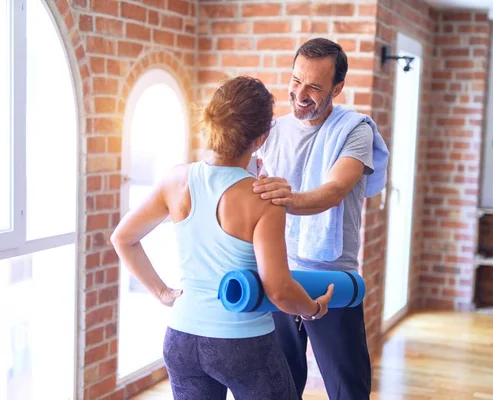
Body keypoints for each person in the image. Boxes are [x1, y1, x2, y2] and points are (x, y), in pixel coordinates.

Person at [110, 76, 334, 400]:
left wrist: (162, 292)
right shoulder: (263, 198)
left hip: (181, 338)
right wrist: (313, 309)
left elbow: (123, 238)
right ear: (260, 139)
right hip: (244, 345)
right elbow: (280, 289)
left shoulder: (176, 179)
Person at [253, 38, 389, 400]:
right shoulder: (273, 130)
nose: (301, 93)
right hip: (278, 271)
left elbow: (334, 191)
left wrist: (286, 201)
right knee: (279, 386)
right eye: (296, 80)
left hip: (331, 278)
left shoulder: (355, 130)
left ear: (337, 88)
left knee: (348, 388)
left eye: (314, 86)